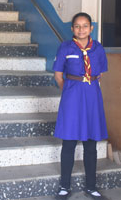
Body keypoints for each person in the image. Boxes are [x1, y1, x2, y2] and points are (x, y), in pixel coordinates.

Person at [53, 12, 108, 199]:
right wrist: (69, 91)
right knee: (68, 142)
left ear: (91, 28)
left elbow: (100, 74)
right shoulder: (65, 47)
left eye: (85, 26)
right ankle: (64, 186)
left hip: (92, 96)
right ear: (72, 28)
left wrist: (87, 87)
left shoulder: (98, 49)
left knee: (90, 144)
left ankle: (91, 186)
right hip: (72, 95)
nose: (81, 29)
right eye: (77, 26)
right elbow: (58, 74)